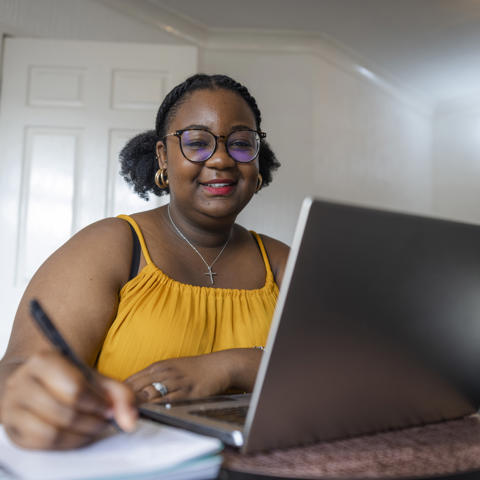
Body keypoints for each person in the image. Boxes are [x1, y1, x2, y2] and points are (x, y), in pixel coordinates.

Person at [0, 74, 289, 450]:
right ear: (162, 158)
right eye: (197, 143)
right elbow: (17, 369)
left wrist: (234, 365)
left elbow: (342, 373)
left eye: (239, 143)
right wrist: (23, 396)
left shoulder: (282, 262)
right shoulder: (111, 245)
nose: (220, 158)